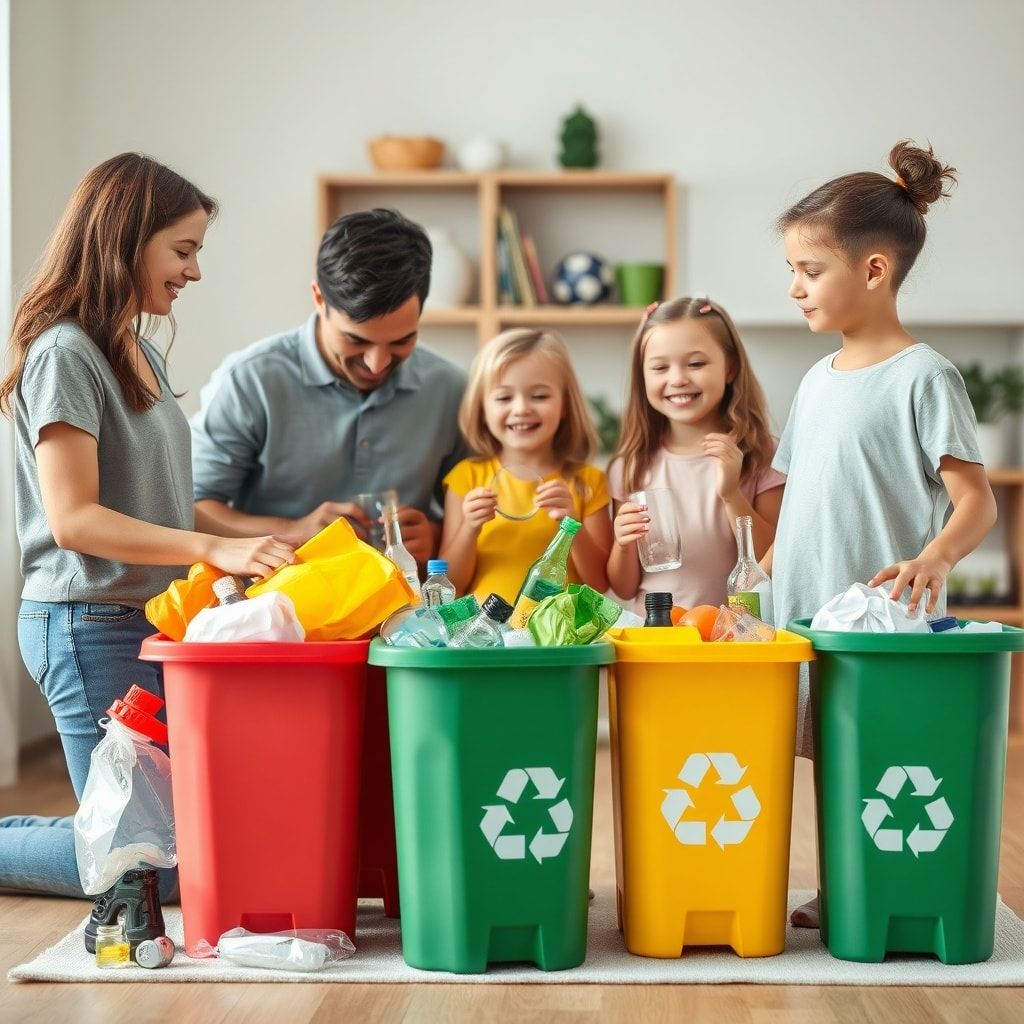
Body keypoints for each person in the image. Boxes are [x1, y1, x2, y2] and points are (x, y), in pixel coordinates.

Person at [0, 153, 296, 898]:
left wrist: (270, 540)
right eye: (183, 250)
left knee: (180, 837)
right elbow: (74, 519)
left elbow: (162, 501)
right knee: (146, 866)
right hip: (89, 621)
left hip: (146, 619)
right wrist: (213, 546)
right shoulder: (65, 352)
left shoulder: (135, 349)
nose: (194, 272)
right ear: (126, 241)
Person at [770, 141, 996, 926]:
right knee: (826, 752)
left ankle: (881, 888)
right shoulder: (814, 381)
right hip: (804, 608)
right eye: (792, 270)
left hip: (877, 615)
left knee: (877, 755)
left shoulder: (924, 376)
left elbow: (976, 502)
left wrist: (936, 557)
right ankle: (841, 886)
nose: (794, 287)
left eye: (809, 270)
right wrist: (760, 569)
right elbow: (801, 495)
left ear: (873, 270)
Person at [190, 208, 468, 562]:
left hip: (402, 596)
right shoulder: (250, 381)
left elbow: (482, 508)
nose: (377, 363)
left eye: (401, 341)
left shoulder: (451, 389)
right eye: (356, 340)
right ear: (319, 298)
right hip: (277, 593)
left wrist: (437, 535)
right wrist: (293, 530)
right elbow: (192, 509)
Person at [606, 297, 785, 615]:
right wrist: (622, 543)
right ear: (642, 375)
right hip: (655, 634)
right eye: (660, 367)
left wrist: (731, 494)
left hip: (735, 634)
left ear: (730, 368)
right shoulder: (631, 465)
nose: (677, 379)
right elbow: (624, 588)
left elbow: (770, 565)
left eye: (696, 364)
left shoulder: (763, 455)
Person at [440, 328, 612, 602]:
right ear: (482, 409)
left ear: (565, 405)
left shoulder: (589, 482)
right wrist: (469, 529)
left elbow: (600, 583)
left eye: (539, 396)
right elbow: (451, 586)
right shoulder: (466, 477)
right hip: (486, 627)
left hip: (561, 627)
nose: (521, 409)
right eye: (504, 398)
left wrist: (571, 525)